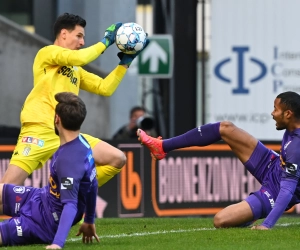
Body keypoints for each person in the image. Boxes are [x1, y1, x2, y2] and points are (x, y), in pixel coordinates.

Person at [1, 13, 149, 187]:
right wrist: (106, 41)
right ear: (63, 34)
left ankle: (69, 192)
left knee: (117, 159)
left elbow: (104, 88)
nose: (82, 42)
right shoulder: (47, 53)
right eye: (79, 36)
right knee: (5, 192)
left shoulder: (76, 70)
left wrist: (125, 63)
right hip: (40, 129)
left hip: (68, 133)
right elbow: (81, 58)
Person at [137, 91, 300, 230]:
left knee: (220, 220)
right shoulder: (291, 127)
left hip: (277, 190)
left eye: (275, 109)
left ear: (288, 114)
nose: (272, 113)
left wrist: (267, 225)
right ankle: (162, 146)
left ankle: (248, 216)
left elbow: (287, 191)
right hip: (273, 166)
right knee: (226, 128)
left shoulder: (296, 146)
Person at [0, 92, 99, 248]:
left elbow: (70, 205)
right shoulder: (81, 142)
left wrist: (57, 244)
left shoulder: (69, 161)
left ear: (57, 119)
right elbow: (93, 183)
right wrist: (89, 220)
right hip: (40, 198)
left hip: (43, 223)